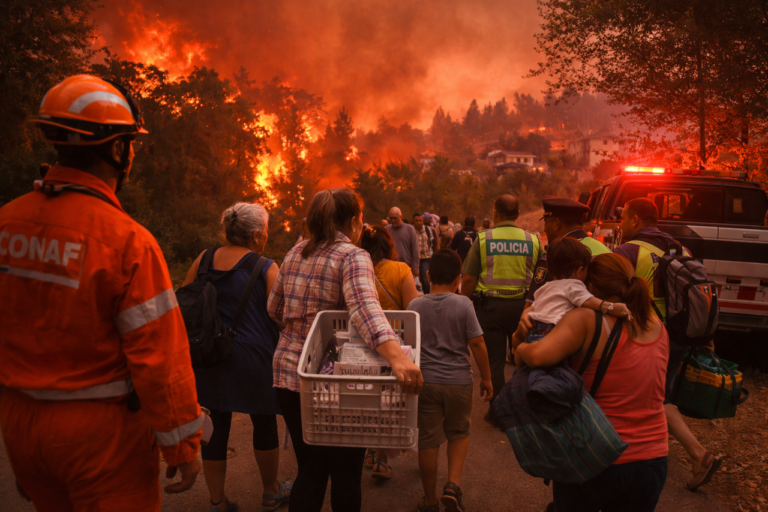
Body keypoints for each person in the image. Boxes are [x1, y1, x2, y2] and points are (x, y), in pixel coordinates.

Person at [0, 75, 202, 510]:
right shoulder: (127, 242)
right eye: (130, 143)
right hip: (100, 437)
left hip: (19, 424)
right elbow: (159, 360)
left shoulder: (6, 222)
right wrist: (183, 446)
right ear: (117, 149)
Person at [268, 189, 423, 512]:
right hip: (336, 385)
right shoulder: (352, 256)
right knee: (346, 475)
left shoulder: (295, 252)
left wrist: (302, 328)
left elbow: (274, 309)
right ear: (354, 222)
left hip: (290, 376)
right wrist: (398, 360)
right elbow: (366, 311)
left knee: (309, 470)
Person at [515, 254, 669, 512]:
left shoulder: (586, 318)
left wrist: (520, 344)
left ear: (590, 288)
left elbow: (537, 356)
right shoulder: (656, 325)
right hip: (653, 458)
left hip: (596, 452)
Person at [182, 203, 293, 512]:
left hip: (209, 355)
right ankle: (271, 491)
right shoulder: (266, 266)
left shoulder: (203, 259)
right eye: (267, 230)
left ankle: (217, 502)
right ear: (256, 235)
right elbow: (282, 315)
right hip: (254, 358)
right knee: (264, 422)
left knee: (215, 426)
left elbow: (186, 299)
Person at [615, 197, 719, 490]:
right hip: (681, 334)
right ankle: (652, 450)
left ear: (635, 220)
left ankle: (699, 455)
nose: (621, 225)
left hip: (648, 336)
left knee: (654, 398)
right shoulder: (681, 248)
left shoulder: (629, 251)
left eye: (623, 218)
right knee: (661, 393)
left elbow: (615, 293)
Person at [408, 250, 493, 512]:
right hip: (459, 382)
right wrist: (487, 378)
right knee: (458, 433)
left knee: (428, 441)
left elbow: (408, 347)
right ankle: (452, 486)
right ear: (459, 278)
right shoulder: (463, 304)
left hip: (426, 383)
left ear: (428, 275)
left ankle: (430, 501)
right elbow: (477, 343)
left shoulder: (415, 306)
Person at [460, 195, 542, 429]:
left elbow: (469, 280)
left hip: (491, 308)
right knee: (522, 359)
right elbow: (542, 277)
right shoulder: (533, 240)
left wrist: (463, 308)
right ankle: (520, 409)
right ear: (518, 214)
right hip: (524, 310)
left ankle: (497, 411)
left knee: (494, 361)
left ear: (495, 213)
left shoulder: (484, 239)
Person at [358, 225, 420, 479]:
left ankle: (370, 450)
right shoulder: (401, 270)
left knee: (366, 400)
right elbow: (412, 311)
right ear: (389, 245)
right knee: (388, 402)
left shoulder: (359, 270)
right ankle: (381, 459)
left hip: (363, 345)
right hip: (395, 345)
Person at [517, 238, 631, 344]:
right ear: (580, 270)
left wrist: (526, 313)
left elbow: (534, 306)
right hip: (552, 331)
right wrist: (612, 308)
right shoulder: (573, 285)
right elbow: (588, 300)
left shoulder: (546, 286)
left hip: (534, 331)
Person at [525, 196, 611, 308]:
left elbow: (532, 305)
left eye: (546, 223)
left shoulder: (556, 253)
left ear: (557, 224)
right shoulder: (605, 250)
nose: (545, 229)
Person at [385, 206, 420, 275]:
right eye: (391, 218)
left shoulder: (409, 229)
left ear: (401, 216)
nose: (393, 221)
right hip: (391, 267)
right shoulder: (386, 230)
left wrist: (416, 267)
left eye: (395, 218)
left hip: (406, 267)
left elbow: (415, 248)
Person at [413, 212, 437, 294]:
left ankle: (427, 297)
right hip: (414, 259)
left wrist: (435, 258)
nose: (418, 222)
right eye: (416, 220)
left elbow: (436, 243)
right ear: (413, 221)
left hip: (426, 258)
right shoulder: (411, 231)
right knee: (414, 282)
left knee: (426, 281)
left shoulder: (429, 230)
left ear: (423, 220)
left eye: (420, 220)